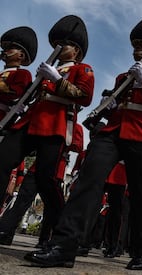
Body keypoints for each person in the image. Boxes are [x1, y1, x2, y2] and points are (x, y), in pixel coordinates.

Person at [24, 15, 142, 270]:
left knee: (140, 194)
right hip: (113, 131)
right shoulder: (121, 77)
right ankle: (64, 245)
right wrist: (107, 109)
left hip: (141, 134)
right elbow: (112, 106)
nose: (137, 49)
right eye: (136, 44)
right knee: (87, 182)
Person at [0, 14, 93, 251]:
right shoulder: (48, 68)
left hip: (54, 124)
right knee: (2, 162)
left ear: (77, 51)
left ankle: (55, 232)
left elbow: (84, 96)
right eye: (58, 43)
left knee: (46, 181)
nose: (60, 48)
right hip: (30, 122)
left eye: (67, 44)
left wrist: (57, 80)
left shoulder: (83, 69)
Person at [0, 123, 84, 247]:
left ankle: (47, 239)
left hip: (55, 170)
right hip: (36, 168)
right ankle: (6, 231)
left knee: (51, 207)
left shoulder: (74, 126)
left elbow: (77, 146)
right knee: (21, 201)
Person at [0, 26, 37, 201]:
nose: (5, 51)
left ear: (21, 55)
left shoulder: (22, 74)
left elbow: (15, 95)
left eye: (10, 48)